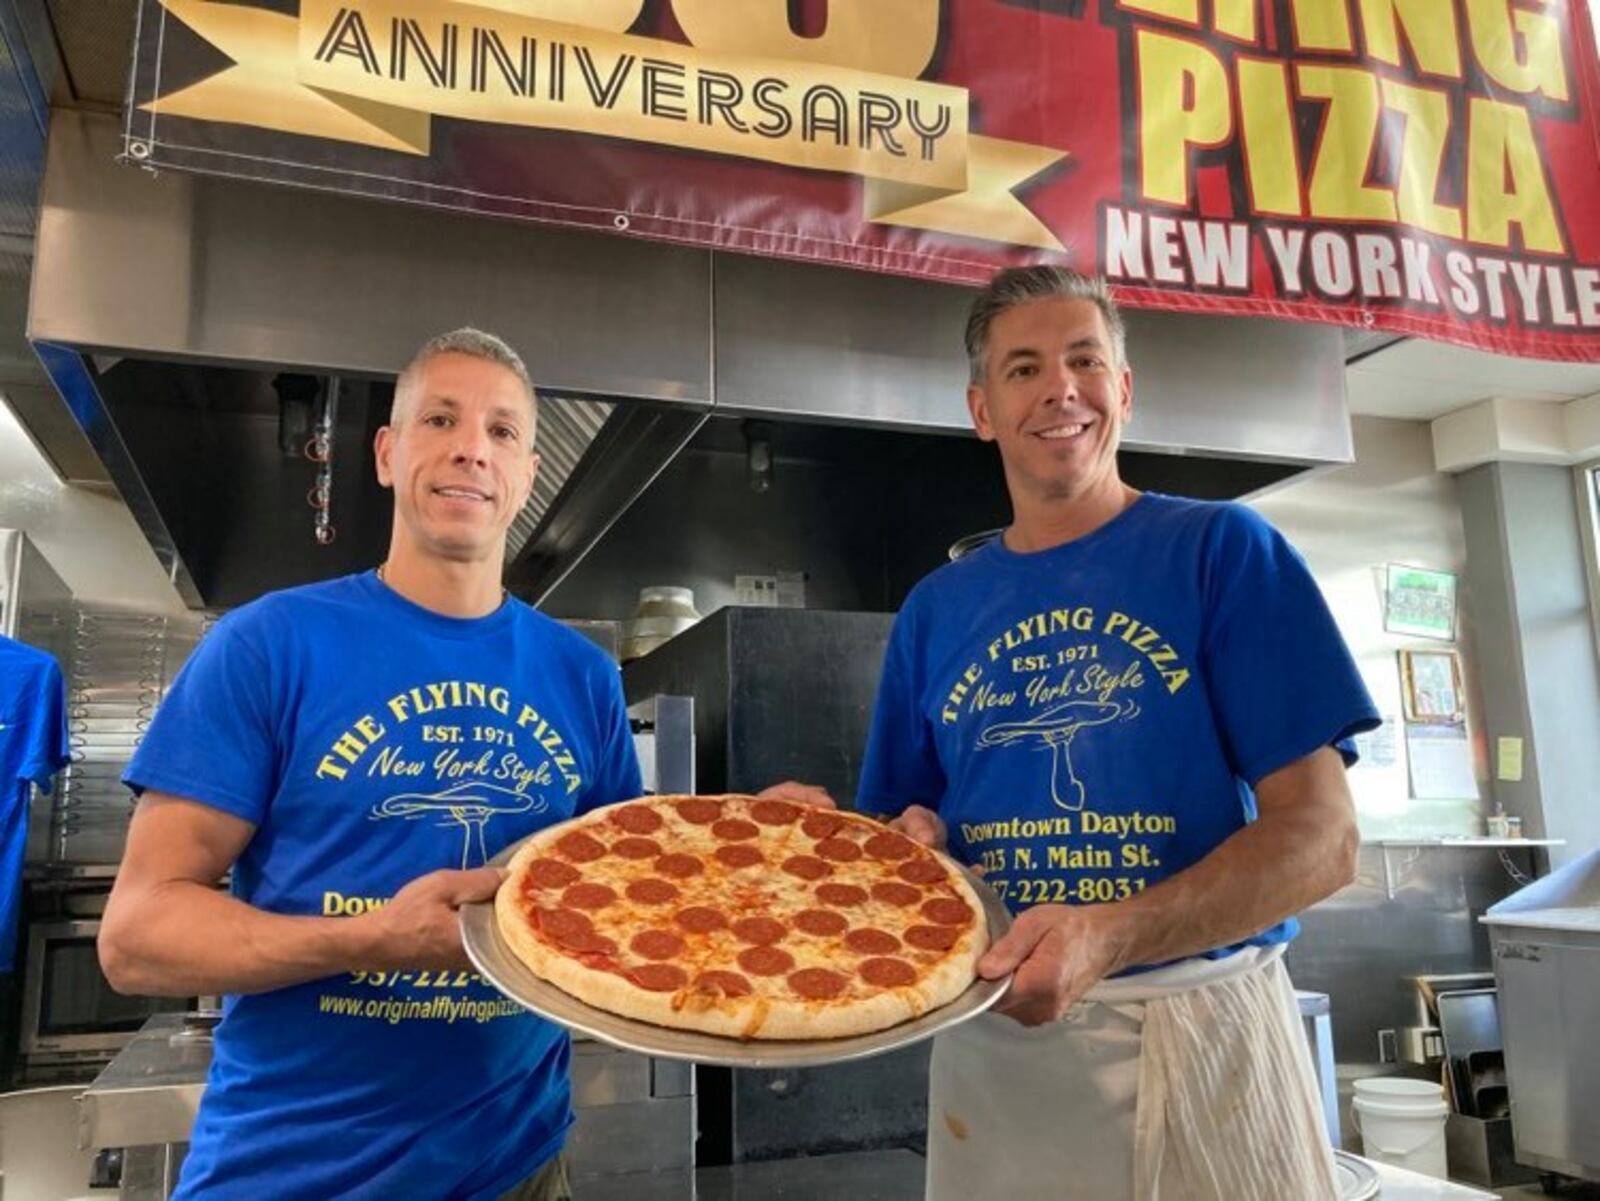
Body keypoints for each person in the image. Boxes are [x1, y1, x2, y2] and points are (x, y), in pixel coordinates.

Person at [856, 267, 1381, 1201]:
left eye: (1084, 360)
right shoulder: (936, 611)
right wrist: (906, 845)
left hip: (1203, 1040)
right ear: (983, 409)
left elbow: (1325, 839)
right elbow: (904, 833)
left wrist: (1111, 934)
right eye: (1024, 369)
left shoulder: (1223, 552)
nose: (1060, 388)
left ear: (1124, 390)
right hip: (993, 1053)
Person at [100, 330, 638, 1201]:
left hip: (519, 1170)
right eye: (441, 418)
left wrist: (755, 851)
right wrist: (371, 939)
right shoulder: (267, 645)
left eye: (502, 431)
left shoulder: (582, 676)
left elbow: (625, 898)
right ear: (388, 454)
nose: (472, 446)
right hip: (292, 1172)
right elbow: (136, 939)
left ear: (527, 476)